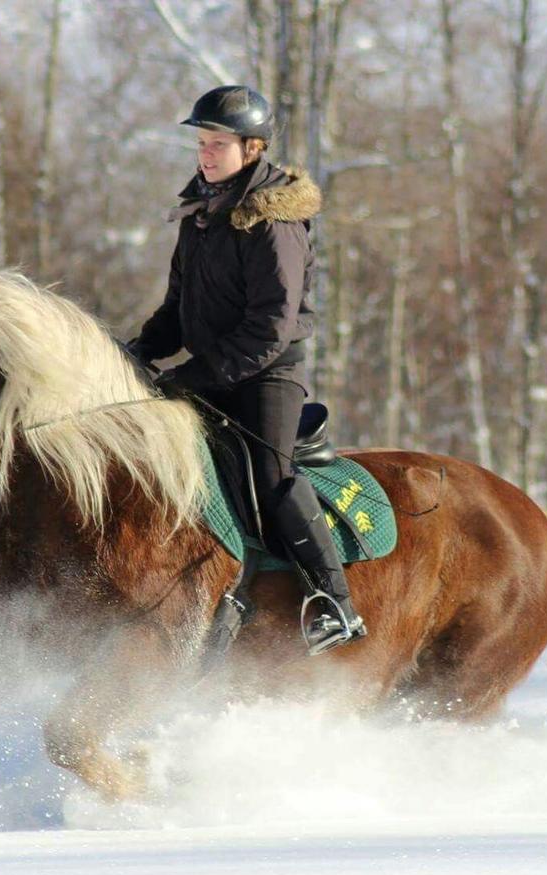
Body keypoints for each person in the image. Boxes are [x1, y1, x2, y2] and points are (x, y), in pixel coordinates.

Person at [128, 85, 365, 654]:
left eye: (218, 144)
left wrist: (193, 376)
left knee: (271, 479)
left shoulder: (272, 222)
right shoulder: (200, 215)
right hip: (212, 371)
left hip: (268, 374)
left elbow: (270, 326)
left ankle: (334, 602)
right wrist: (135, 352)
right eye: (201, 143)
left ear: (252, 148)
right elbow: (176, 311)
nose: (205, 154)